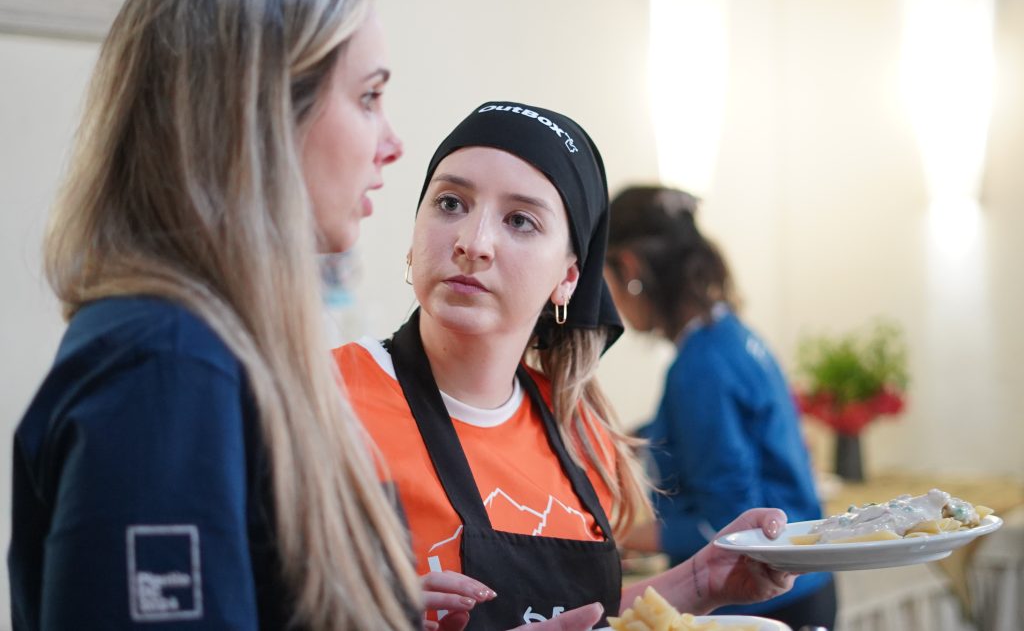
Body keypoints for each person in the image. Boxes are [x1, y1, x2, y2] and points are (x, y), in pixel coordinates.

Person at [333, 102, 796, 630]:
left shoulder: (581, 435)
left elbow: (583, 615)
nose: (473, 243)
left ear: (568, 278)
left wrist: (700, 582)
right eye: (450, 203)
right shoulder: (322, 400)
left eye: (520, 220)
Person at [603, 185, 837, 629]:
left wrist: (614, 535)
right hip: (804, 585)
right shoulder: (731, 337)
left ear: (629, 267)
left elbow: (729, 521)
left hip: (764, 603)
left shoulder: (699, 367)